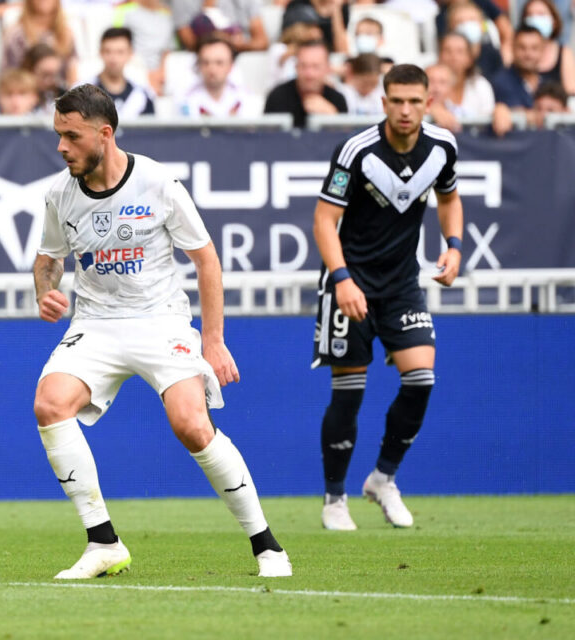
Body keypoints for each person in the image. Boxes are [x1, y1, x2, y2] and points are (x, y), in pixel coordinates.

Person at [33, 83, 292, 580]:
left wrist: (213, 340)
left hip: (160, 321)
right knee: (49, 402)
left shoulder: (157, 183)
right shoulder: (59, 195)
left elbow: (206, 259)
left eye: (71, 136)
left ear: (104, 135)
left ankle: (267, 547)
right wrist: (45, 291)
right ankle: (102, 543)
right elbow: (48, 260)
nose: (61, 147)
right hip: (96, 324)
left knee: (191, 424)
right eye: (58, 135)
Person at [312, 64, 463, 531]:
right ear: (383, 103)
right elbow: (323, 220)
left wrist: (454, 248)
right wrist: (341, 279)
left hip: (402, 285)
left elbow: (449, 198)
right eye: (396, 100)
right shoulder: (356, 151)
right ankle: (334, 499)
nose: (405, 110)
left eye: (414, 101)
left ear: (427, 102)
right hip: (349, 283)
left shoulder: (442, 148)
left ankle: (383, 478)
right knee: (349, 394)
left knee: (421, 380)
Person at [264, 39, 348, 128]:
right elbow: (267, 136)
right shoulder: (277, 97)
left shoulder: (337, 100)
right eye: (303, 66)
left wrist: (333, 117)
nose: (309, 74)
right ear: (295, 67)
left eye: (315, 67)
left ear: (328, 68)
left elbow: (346, 138)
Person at [178, 34, 257, 117]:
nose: (212, 69)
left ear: (230, 66)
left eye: (219, 63)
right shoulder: (184, 99)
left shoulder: (246, 97)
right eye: (206, 62)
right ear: (198, 65)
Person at [3, 0, 77, 87]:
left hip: (60, 95)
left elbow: (72, 72)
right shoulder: (16, 35)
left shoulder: (66, 33)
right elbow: (11, 75)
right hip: (27, 93)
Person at [491, 26, 548, 135]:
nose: (528, 54)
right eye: (522, 47)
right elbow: (515, 111)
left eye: (534, 48)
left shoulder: (548, 83)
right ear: (512, 48)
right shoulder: (500, 81)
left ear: (542, 51)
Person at [90, 27, 155, 118]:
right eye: (108, 51)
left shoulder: (142, 94)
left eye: (120, 52)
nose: (113, 59)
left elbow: (152, 130)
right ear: (100, 52)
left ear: (130, 54)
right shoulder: (82, 93)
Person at [111, 0, 174, 95]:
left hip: (162, 70)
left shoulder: (166, 14)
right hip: (134, 66)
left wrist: (161, 71)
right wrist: (146, 74)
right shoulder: (125, 10)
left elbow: (168, 48)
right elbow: (117, 44)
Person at [519, 0, 575, 95]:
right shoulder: (514, 54)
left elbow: (571, 93)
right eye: (530, 15)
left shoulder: (563, 53)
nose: (535, 19)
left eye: (541, 14)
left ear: (554, 21)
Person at [171, 0, 269, 53]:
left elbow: (262, 42)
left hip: (239, 55)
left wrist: (241, 45)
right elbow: (190, 43)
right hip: (202, 59)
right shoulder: (182, 1)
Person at [438, 31, 496, 118]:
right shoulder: (429, 83)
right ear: (439, 56)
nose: (453, 57)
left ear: (470, 59)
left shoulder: (480, 85)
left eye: (460, 51)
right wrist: (433, 110)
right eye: (447, 50)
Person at [445, 0, 508, 77]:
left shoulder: (493, 54)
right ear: (451, 28)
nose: (467, 25)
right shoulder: (447, 56)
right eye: (460, 21)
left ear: (482, 26)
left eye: (472, 20)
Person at [282, 0, 349, 54]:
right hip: (299, 56)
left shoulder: (342, 9)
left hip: (328, 59)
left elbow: (343, 51)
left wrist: (336, 10)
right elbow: (287, 40)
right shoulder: (298, 5)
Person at [23, 42, 68, 113]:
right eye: (45, 75)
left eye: (55, 75)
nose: (50, 81)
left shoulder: (63, 95)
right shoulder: (16, 96)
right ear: (29, 70)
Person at [425, 62, 463, 132]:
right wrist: (430, 108)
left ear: (451, 88)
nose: (436, 88)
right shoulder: (411, 110)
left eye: (442, 82)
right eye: (431, 81)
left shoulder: (462, 113)